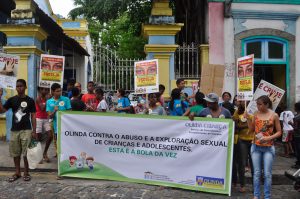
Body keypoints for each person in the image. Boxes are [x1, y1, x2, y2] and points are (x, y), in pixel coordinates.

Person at [244, 95, 282, 199]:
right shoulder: (256, 114)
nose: (257, 106)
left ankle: (267, 196)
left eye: (260, 104)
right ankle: (256, 195)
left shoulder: (274, 115)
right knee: (256, 173)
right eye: (257, 104)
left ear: (267, 104)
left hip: (268, 148)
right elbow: (251, 129)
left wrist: (268, 138)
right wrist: (247, 118)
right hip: (255, 147)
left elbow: (279, 132)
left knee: (267, 174)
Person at [0, 79, 36, 182]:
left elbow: (33, 116)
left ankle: (26, 172)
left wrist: (34, 130)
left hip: (26, 129)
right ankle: (17, 172)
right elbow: (2, 110)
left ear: (25, 87)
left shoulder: (30, 100)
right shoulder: (12, 100)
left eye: (21, 86)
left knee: (26, 153)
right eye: (17, 86)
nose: (19, 88)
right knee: (15, 153)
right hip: (14, 130)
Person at [232, 100, 254, 193]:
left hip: (254, 140)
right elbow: (235, 125)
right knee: (242, 163)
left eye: (245, 100)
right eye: (241, 101)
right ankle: (242, 185)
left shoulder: (255, 110)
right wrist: (245, 126)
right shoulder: (238, 111)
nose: (242, 102)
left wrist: (247, 124)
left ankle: (255, 184)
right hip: (242, 140)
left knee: (254, 164)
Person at [46, 83, 71, 155]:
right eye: (57, 91)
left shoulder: (66, 99)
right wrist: (55, 111)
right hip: (56, 126)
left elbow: (70, 112)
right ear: (52, 92)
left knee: (66, 143)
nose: (59, 92)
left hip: (66, 126)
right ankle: (60, 159)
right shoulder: (49, 102)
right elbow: (50, 116)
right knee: (58, 142)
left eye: (60, 90)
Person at [35, 87, 52, 163]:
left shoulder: (49, 97)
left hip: (46, 118)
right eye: (42, 89)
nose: (44, 91)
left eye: (46, 89)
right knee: (38, 137)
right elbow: (42, 108)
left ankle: (45, 153)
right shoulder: (38, 98)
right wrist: (48, 100)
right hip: (38, 118)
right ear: (40, 90)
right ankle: (38, 155)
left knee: (50, 136)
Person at [292, 102, 300, 169]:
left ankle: (298, 164)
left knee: (297, 150)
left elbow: (296, 128)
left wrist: (291, 124)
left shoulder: (296, 118)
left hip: (297, 136)